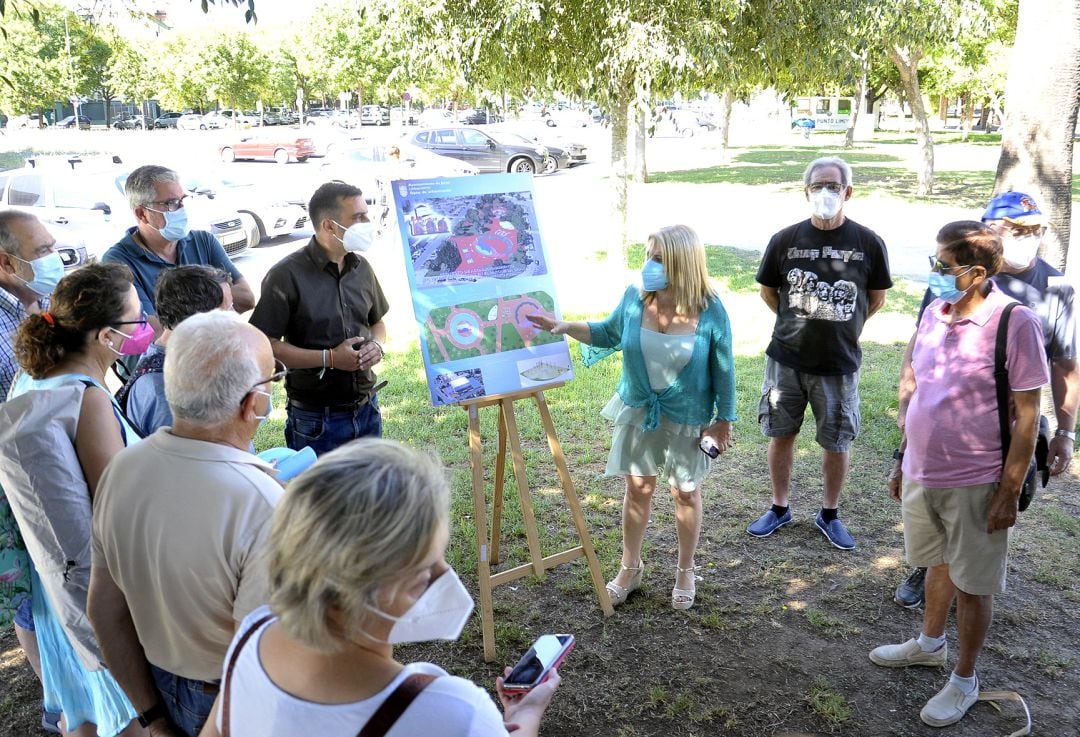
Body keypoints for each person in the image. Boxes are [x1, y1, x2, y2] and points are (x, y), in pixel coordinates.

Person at [197, 439, 560, 737]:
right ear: (366, 588)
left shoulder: (252, 634)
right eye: (424, 571)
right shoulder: (453, 713)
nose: (444, 574)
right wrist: (525, 717)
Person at [871, 221, 1048, 728]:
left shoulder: (1016, 323)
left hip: (979, 478)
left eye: (942, 265)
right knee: (937, 565)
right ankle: (928, 645)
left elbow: (1028, 415)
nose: (934, 273)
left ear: (974, 272)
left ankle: (965, 680)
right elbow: (921, 390)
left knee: (973, 584)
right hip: (924, 470)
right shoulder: (934, 313)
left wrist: (1008, 491)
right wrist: (904, 458)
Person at [88, 310, 283, 737]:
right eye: (273, 379)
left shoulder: (123, 468)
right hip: (228, 703)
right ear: (254, 403)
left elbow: (104, 609)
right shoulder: (262, 503)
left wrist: (154, 719)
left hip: (154, 682)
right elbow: (265, 660)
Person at [527, 224, 736, 611]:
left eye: (658, 258)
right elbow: (608, 332)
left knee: (685, 492)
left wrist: (724, 419)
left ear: (682, 263)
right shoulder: (635, 298)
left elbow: (724, 368)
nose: (649, 265)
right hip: (641, 409)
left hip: (688, 415)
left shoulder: (710, 309)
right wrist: (564, 326)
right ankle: (630, 567)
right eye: (647, 256)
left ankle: (685, 570)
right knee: (638, 488)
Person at [893, 191, 1079, 608]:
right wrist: (907, 405)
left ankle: (971, 592)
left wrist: (1066, 431)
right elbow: (921, 341)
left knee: (981, 530)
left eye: (1032, 230)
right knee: (937, 531)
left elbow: (1065, 364)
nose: (1023, 237)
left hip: (996, 434)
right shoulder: (951, 278)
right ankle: (928, 579)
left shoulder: (1054, 289)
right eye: (1013, 229)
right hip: (934, 435)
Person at [6, 262, 150, 737]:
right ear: (106, 336)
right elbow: (119, 502)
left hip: (54, 584)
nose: (145, 325)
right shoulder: (86, 397)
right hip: (96, 590)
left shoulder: (34, 377)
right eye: (136, 318)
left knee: (83, 712)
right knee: (125, 714)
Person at [746, 156, 892, 550]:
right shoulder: (785, 240)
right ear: (805, 191)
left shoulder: (867, 242)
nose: (824, 193)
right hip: (786, 361)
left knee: (836, 441)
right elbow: (769, 292)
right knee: (781, 434)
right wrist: (800, 322)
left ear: (848, 192)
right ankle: (779, 507)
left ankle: (829, 514)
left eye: (833, 186)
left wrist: (840, 327)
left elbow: (875, 299)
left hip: (838, 365)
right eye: (817, 186)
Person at [249, 181, 388, 455]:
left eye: (366, 214)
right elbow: (264, 344)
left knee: (372, 497)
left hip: (367, 407)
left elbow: (378, 322)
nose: (368, 222)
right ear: (329, 226)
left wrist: (378, 345)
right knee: (324, 499)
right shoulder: (285, 275)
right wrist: (330, 358)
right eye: (358, 217)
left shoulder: (361, 267)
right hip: (317, 420)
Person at [0, 210, 64, 734]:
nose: (52, 258)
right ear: (6, 260)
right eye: (41, 251)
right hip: (11, 484)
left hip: (47, 467)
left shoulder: (32, 305)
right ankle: (55, 698)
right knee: (31, 584)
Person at [101, 164, 254, 336]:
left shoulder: (203, 241)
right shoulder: (118, 262)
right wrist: (220, 299)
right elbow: (155, 334)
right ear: (141, 214)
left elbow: (247, 298)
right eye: (171, 203)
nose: (182, 209)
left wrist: (180, 308)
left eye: (183, 200)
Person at [115, 265, 233, 436]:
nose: (235, 317)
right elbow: (183, 460)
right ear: (198, 320)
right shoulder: (163, 392)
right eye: (227, 310)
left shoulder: (181, 359)